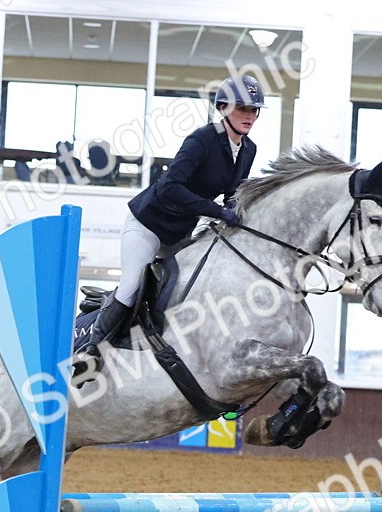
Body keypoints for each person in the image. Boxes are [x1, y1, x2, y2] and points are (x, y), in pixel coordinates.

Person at [74, 75, 264, 377]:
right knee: (132, 284)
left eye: (254, 110)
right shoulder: (202, 139)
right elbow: (169, 187)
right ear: (223, 108)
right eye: (243, 108)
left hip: (180, 233)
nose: (249, 116)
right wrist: (214, 210)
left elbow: (232, 193)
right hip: (148, 224)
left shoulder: (248, 149)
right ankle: (90, 353)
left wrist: (236, 212)